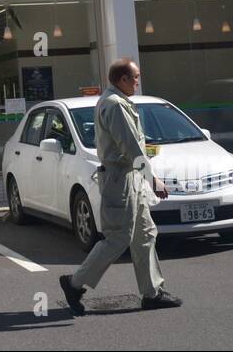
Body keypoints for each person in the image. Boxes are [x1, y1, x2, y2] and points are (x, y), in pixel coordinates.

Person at [59, 58, 182, 316]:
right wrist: (153, 179)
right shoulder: (115, 105)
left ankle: (152, 293)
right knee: (118, 237)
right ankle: (74, 284)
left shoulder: (116, 101)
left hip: (129, 177)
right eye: (135, 77)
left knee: (145, 234)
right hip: (121, 180)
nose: (138, 81)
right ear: (122, 79)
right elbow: (132, 148)